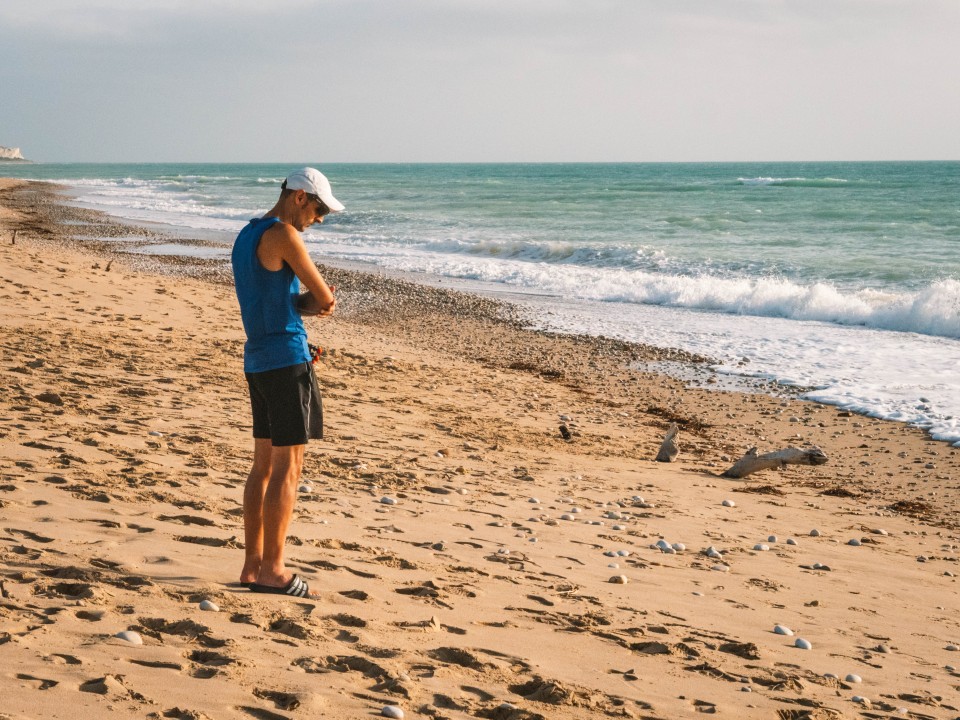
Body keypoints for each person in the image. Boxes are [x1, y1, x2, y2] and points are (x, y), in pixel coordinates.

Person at [231, 167, 343, 599]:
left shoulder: (247, 234)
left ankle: (252, 564)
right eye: (318, 210)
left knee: (262, 466)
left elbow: (276, 300)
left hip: (258, 359)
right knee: (288, 468)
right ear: (299, 197)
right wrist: (323, 303)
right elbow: (323, 297)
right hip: (286, 360)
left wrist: (308, 306)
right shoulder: (284, 235)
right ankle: (275, 570)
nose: (318, 220)